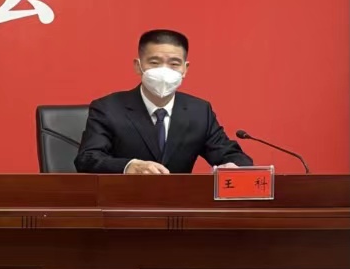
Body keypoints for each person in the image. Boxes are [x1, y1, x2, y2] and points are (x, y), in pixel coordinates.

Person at [75, 29, 252, 174]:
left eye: (174, 64)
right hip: (123, 201)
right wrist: (128, 166)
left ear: (185, 69)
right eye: (154, 62)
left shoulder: (199, 111)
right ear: (138, 66)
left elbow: (231, 155)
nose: (164, 70)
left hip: (180, 203)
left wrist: (233, 165)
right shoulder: (108, 108)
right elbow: (87, 158)